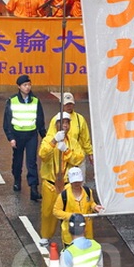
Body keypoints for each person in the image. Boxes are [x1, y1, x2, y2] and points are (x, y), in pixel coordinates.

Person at [39, 112, 86, 244]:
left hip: (67, 184)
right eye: (62, 123)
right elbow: (43, 155)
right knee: (47, 212)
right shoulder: (48, 140)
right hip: (50, 183)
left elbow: (79, 158)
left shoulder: (72, 142)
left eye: (67, 123)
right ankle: (46, 235)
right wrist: (54, 141)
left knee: (69, 211)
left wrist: (66, 151)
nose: (65, 126)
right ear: (56, 125)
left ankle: (71, 237)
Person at [2, 74, 46, 199]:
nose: (27, 87)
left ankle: (33, 188)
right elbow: (7, 122)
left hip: (31, 135)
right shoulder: (12, 100)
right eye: (24, 85)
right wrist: (11, 138)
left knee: (31, 162)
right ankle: (17, 180)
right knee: (17, 160)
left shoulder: (36, 101)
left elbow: (40, 121)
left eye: (29, 85)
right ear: (19, 87)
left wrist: (44, 137)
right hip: (17, 135)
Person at [53, 166, 103, 245]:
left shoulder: (87, 191)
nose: (77, 183)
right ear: (70, 181)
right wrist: (71, 216)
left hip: (87, 233)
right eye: (74, 181)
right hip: (70, 236)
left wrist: (94, 207)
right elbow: (56, 211)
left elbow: (91, 202)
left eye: (78, 181)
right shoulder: (64, 195)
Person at [45, 93, 93, 166]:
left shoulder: (80, 119)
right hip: (60, 157)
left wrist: (90, 153)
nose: (69, 106)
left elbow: (85, 139)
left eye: (70, 104)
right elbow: (50, 137)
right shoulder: (55, 120)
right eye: (66, 104)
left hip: (76, 156)